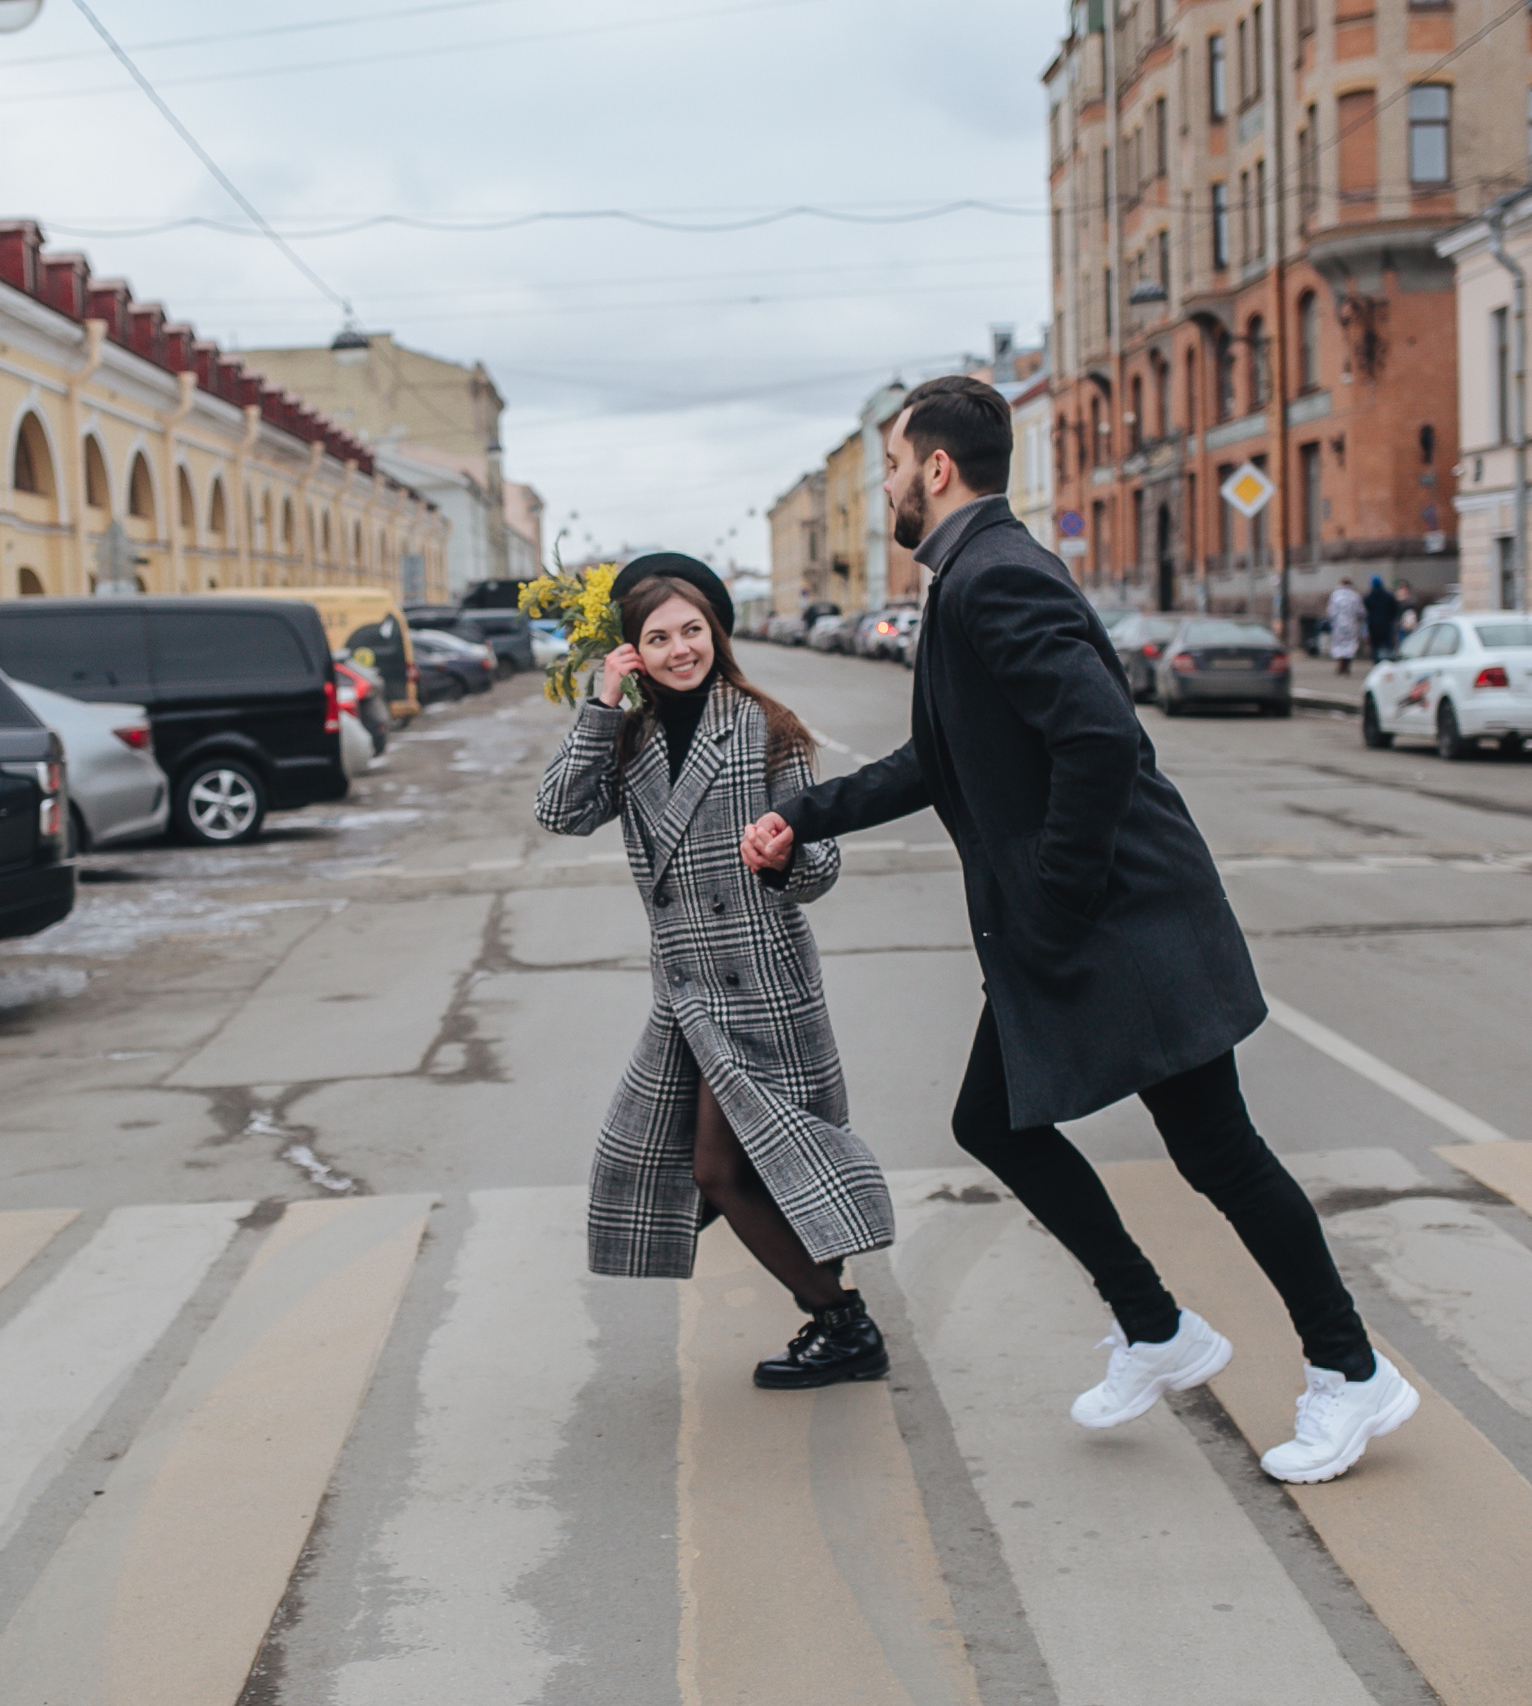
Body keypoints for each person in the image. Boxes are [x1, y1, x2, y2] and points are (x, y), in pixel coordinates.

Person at [739, 376, 1418, 1483]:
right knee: (1004, 1124)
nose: (888, 487)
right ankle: (1157, 1327)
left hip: (1121, 922)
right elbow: (940, 758)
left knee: (1218, 1152)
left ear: (937, 469)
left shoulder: (994, 576)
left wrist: (1055, 900)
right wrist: (804, 813)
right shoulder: (973, 574)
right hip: (1098, 925)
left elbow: (1100, 738)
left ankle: (1350, 1372)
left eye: (895, 465)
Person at [536, 553, 895, 1390]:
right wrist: (601, 705)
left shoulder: (765, 726)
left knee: (718, 1170)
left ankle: (842, 1322)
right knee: (717, 1168)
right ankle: (837, 1316)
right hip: (687, 994)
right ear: (634, 652)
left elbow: (821, 867)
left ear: (716, 634)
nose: (680, 650)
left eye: (692, 630)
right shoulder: (630, 737)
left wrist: (783, 856)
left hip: (761, 987)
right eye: (658, 638)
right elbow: (559, 812)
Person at [1325, 578, 1366, 676]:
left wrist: (1331, 622)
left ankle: (1340, 664)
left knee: (1338, 645)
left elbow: (1331, 612)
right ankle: (1347, 665)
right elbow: (1360, 611)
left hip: (1338, 625)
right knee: (1350, 645)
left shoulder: (1335, 595)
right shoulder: (1354, 596)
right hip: (1351, 624)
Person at [1365, 575, 1400, 662]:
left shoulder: (1369, 597)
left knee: (1375, 646)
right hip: (1387, 625)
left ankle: (1377, 661)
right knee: (1387, 645)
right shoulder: (1388, 596)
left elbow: (1365, 612)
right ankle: (1387, 660)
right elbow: (1395, 610)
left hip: (1373, 626)